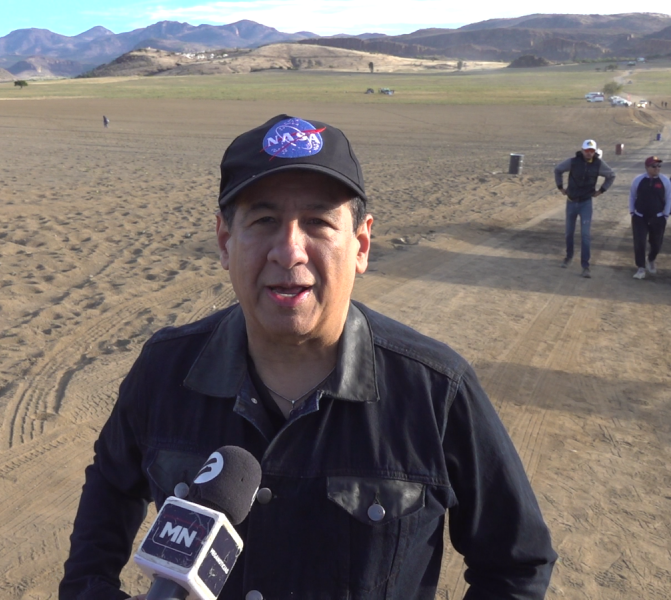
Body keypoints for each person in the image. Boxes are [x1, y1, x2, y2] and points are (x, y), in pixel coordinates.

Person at [59, 115, 557, 600]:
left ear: (360, 245)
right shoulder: (166, 370)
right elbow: (110, 487)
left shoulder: (435, 390)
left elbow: (516, 563)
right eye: (264, 220)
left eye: (318, 222)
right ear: (225, 242)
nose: (289, 250)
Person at [554, 139, 616, 278]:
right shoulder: (573, 162)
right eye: (587, 150)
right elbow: (558, 170)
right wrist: (560, 187)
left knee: (585, 235)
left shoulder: (599, 164)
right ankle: (568, 257)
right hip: (571, 202)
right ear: (582, 150)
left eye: (592, 151)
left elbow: (611, 175)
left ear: (595, 152)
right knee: (569, 232)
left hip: (586, 203)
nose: (589, 153)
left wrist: (601, 190)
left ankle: (585, 266)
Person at [629, 156, 671, 279]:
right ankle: (641, 268)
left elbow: (669, 198)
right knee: (640, 242)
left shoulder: (665, 181)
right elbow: (632, 196)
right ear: (647, 167)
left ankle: (651, 259)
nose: (657, 168)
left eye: (658, 166)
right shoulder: (638, 180)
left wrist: (666, 215)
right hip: (640, 217)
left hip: (658, 217)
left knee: (656, 243)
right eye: (653, 166)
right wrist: (632, 212)